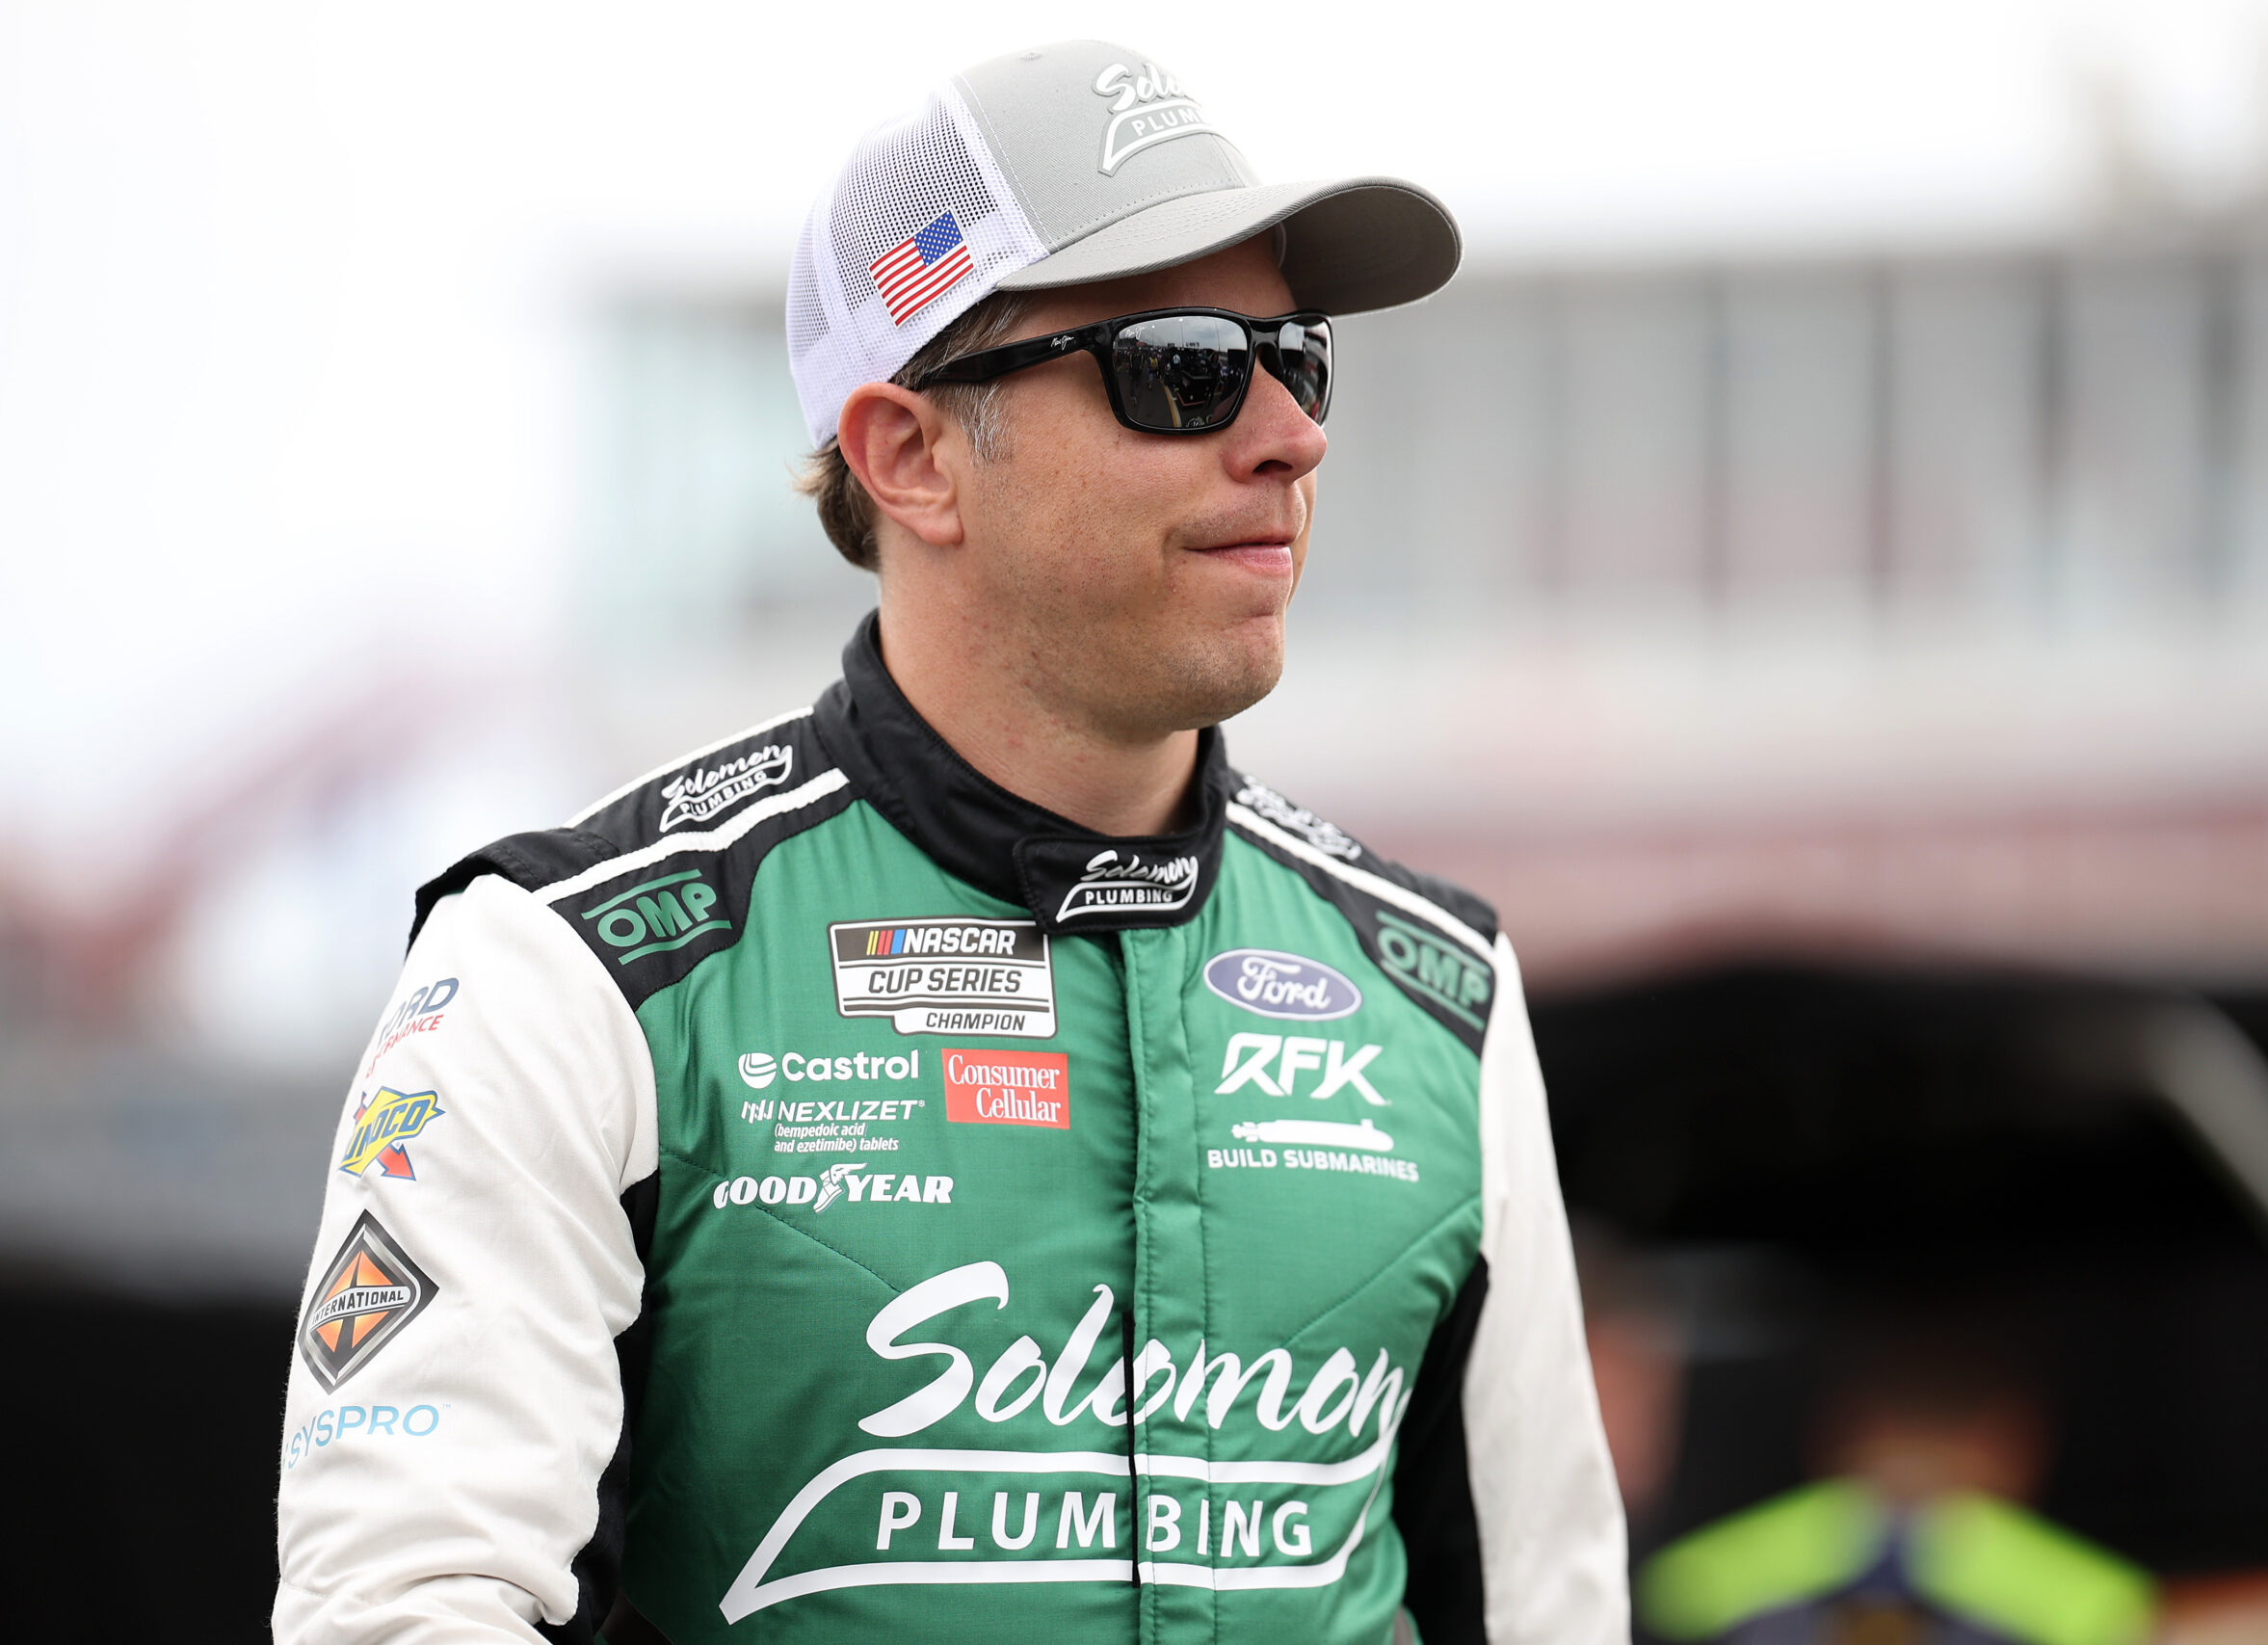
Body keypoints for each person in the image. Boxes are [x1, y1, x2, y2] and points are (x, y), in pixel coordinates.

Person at [273, 39, 1626, 1645]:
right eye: (1185, 367)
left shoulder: (1440, 995)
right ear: (911, 456)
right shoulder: (573, 970)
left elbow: (1550, 1613)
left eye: (1299, 359)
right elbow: (403, 1607)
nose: (1289, 435)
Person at [1637, 1301, 2154, 1645]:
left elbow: (1664, 1603)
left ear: (1840, 1428)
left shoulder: (1700, 1575)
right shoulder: (2087, 1595)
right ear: (2008, 1437)